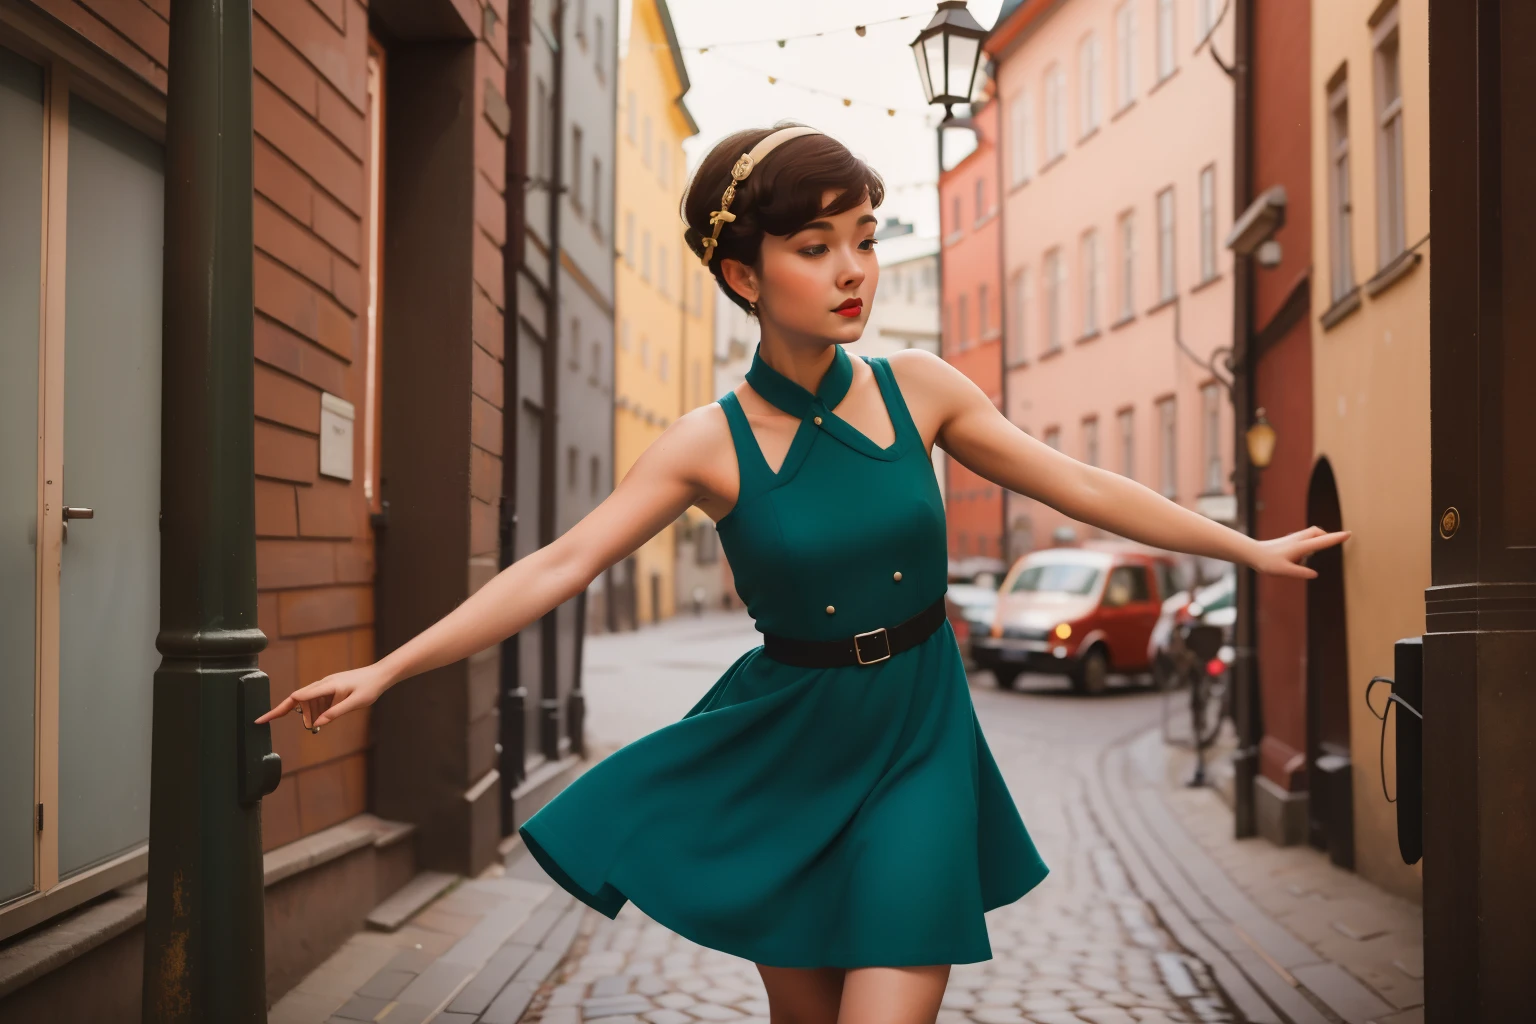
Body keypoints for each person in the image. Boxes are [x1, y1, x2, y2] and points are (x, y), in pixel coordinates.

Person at [258, 124, 1348, 1024]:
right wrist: (387, 668)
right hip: (788, 747)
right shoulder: (704, 443)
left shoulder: (919, 387)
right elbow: (560, 562)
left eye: (864, 240)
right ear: (744, 271)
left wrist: (1245, 550)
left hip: (919, 739)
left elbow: (1080, 486)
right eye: (817, 245)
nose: (854, 271)